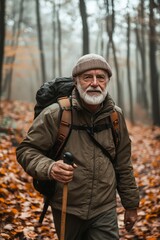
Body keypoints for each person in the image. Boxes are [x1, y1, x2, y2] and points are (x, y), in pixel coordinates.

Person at [16, 53, 139, 240]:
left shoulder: (115, 117)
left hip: (104, 208)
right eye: (87, 77)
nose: (95, 83)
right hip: (67, 207)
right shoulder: (56, 114)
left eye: (101, 78)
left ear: (107, 82)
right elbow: (26, 150)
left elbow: (123, 163)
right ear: (76, 81)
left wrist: (131, 205)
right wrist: (50, 167)